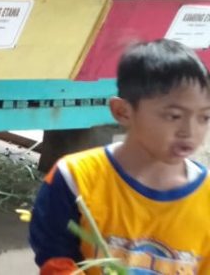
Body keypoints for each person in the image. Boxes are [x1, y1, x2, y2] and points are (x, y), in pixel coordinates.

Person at [29, 39, 210, 274]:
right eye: (174, 116)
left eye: (204, 118)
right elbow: (55, 256)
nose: (190, 131)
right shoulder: (74, 178)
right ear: (122, 112)